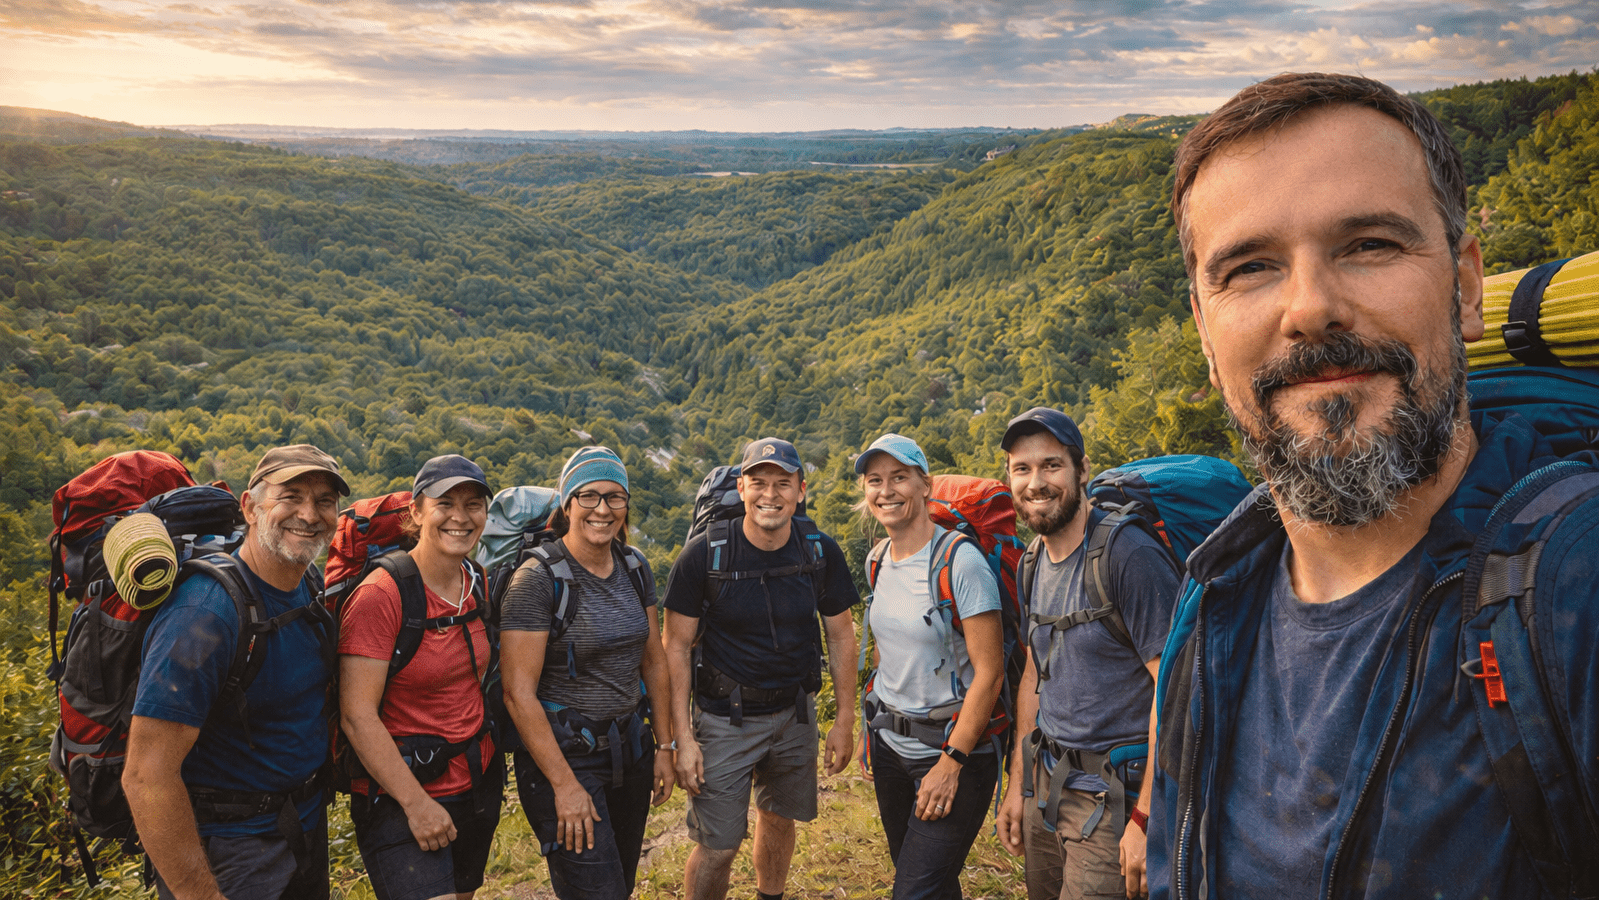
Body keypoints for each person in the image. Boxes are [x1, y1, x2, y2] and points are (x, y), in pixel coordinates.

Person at [1147, 72, 1599, 898]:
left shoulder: (1576, 582)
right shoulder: (1214, 592)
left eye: (1369, 245)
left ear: (1465, 285)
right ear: (1205, 333)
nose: (1310, 308)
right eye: (1249, 267)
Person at [124, 444, 348, 900]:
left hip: (300, 828)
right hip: (231, 853)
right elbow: (147, 775)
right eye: (291, 495)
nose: (309, 513)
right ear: (250, 506)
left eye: (325, 500)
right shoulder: (204, 615)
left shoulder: (305, 582)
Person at [661, 437, 862, 900]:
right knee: (718, 844)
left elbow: (841, 634)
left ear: (800, 490)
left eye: (782, 483)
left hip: (795, 715)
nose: (770, 494)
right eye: (759, 482)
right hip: (723, 719)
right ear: (742, 486)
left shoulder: (817, 551)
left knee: (779, 818)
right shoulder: (702, 555)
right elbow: (674, 647)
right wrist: (682, 739)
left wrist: (845, 720)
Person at [994, 408, 1178, 900]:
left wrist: (1145, 816)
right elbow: (1035, 671)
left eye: (1051, 465)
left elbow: (1175, 688)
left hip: (1114, 797)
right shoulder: (1032, 559)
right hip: (1048, 782)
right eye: (1022, 469)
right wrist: (1018, 788)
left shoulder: (1127, 556)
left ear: (1082, 470)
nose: (1036, 482)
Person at [499, 445, 675, 900]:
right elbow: (518, 694)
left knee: (619, 884)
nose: (603, 509)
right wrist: (565, 786)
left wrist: (665, 744)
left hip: (629, 751)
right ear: (567, 504)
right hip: (567, 758)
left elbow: (653, 659)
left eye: (615, 497)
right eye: (589, 496)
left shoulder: (635, 566)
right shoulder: (537, 580)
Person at [339, 454, 501, 900]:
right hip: (402, 795)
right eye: (445, 503)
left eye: (473, 505)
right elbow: (356, 714)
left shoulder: (476, 581)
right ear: (416, 510)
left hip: (473, 785)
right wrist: (415, 805)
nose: (460, 517)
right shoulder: (381, 595)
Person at [854, 433, 1005, 900]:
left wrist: (951, 763)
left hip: (952, 753)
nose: (886, 491)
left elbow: (991, 672)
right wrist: (871, 728)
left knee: (913, 891)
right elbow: (887, 653)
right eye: (875, 480)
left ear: (925, 485)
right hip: (891, 748)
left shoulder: (960, 562)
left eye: (899, 477)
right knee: (930, 884)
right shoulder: (877, 560)